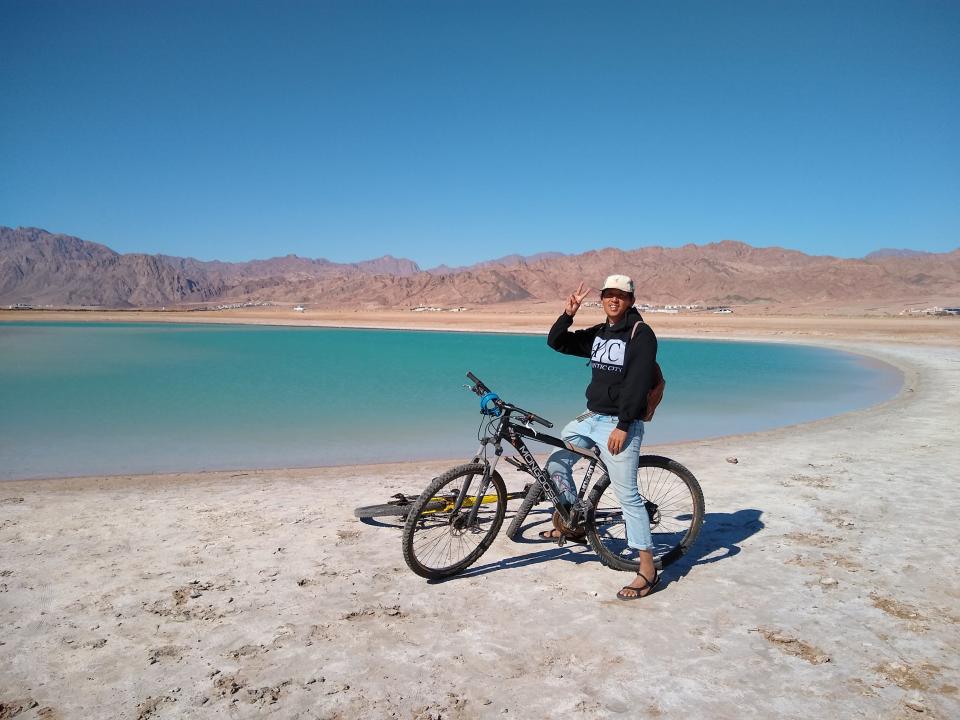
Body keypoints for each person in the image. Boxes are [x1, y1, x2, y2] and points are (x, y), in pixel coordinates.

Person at [544, 274, 660, 600]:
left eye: (620, 296)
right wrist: (568, 314)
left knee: (628, 497)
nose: (614, 300)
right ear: (603, 299)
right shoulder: (600, 332)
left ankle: (648, 570)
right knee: (556, 461)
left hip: (620, 425)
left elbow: (637, 383)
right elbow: (557, 342)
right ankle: (573, 522)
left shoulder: (641, 335)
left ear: (630, 301)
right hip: (590, 418)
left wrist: (623, 426)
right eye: (609, 295)